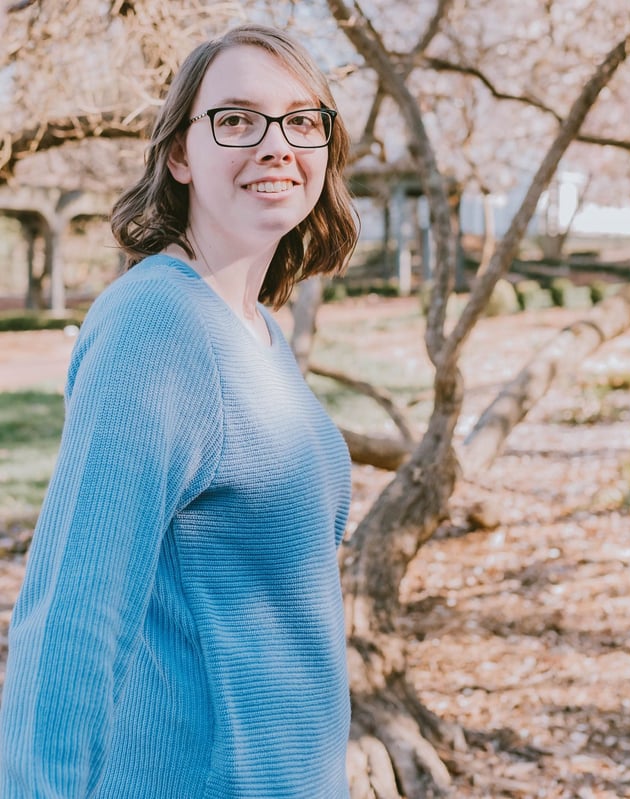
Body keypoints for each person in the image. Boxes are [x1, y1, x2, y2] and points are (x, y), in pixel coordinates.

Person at [0, 23, 358, 799]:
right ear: (180, 154)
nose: (275, 144)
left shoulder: (257, 327)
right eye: (236, 119)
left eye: (303, 120)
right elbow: (71, 617)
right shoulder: (157, 326)